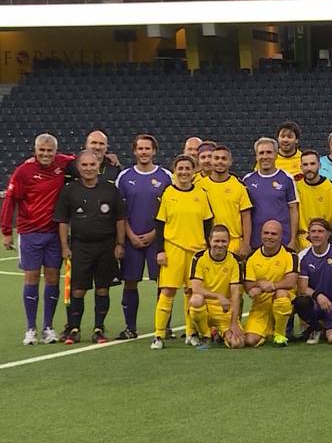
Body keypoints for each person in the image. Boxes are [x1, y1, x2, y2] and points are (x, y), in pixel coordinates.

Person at [2, 133, 75, 345]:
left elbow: (83, 159)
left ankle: (48, 327)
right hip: (29, 232)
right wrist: (6, 230)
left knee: (52, 278)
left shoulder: (63, 163)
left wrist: (107, 157)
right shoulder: (23, 171)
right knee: (32, 277)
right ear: (35, 150)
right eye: (41, 150)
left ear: (55, 151)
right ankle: (31, 328)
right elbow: (10, 200)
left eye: (49, 150)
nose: (45, 154)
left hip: (54, 233)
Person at [53, 150, 126, 344]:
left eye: (92, 165)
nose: (88, 169)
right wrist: (64, 246)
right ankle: (74, 328)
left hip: (106, 246)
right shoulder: (70, 190)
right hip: (79, 246)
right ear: (78, 167)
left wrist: (120, 244)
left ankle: (98, 329)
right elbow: (62, 221)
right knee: (77, 289)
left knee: (103, 288)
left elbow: (120, 218)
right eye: (84, 165)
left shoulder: (110, 189)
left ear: (98, 167)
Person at [151, 155, 213, 350]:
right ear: (175, 170)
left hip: (196, 251)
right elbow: (159, 224)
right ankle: (159, 335)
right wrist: (160, 250)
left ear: (194, 171)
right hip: (173, 249)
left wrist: (206, 249)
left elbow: (207, 223)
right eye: (181, 168)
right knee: (167, 291)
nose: (184, 172)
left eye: (188, 168)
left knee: (191, 292)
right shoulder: (167, 193)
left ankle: (190, 333)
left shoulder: (202, 194)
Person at [115, 134, 173, 340]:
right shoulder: (124, 177)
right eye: (140, 149)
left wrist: (154, 234)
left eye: (147, 148)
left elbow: (171, 210)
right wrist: (129, 236)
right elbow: (120, 212)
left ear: (154, 151)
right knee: (130, 281)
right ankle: (130, 327)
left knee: (163, 283)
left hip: (158, 240)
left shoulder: (166, 176)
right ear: (134, 151)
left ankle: (164, 327)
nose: (144, 152)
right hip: (132, 240)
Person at [242, 220, 298, 348]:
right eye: (266, 233)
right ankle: (266, 330)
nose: (269, 237)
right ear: (261, 234)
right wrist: (261, 284)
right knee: (250, 341)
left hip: (284, 301)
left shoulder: (290, 255)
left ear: (281, 236)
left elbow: (291, 281)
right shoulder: (252, 257)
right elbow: (249, 286)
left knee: (281, 293)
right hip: (261, 306)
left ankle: (279, 334)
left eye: (273, 234)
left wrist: (271, 286)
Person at [187, 225, 244, 348]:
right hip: (205, 307)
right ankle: (206, 335)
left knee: (237, 344)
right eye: (216, 241)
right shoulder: (199, 257)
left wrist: (234, 323)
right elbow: (196, 289)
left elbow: (235, 295)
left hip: (224, 310)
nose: (220, 244)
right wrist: (218, 296)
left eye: (223, 241)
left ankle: (219, 332)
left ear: (229, 242)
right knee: (196, 300)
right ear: (209, 241)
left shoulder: (235, 261)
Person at [293, 219, 332, 345]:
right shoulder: (303, 256)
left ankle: (327, 327)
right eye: (313, 231)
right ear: (309, 235)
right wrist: (318, 296)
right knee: (300, 302)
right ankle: (315, 328)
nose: (316, 235)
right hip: (316, 303)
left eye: (320, 231)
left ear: (328, 234)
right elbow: (303, 288)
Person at [244, 137, 299, 251]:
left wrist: (293, 240)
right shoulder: (247, 180)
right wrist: (246, 242)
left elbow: (293, 210)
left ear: (276, 155)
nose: (265, 156)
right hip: (256, 241)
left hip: (283, 240)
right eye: (261, 153)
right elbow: (245, 214)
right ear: (256, 156)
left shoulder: (287, 178)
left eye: (269, 152)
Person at [201, 145, 253, 256]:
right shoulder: (200, 186)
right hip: (206, 243)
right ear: (211, 161)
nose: (220, 162)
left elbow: (246, 217)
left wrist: (246, 243)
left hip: (234, 244)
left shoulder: (239, 187)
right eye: (216, 158)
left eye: (224, 159)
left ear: (230, 162)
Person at [295, 150, 332, 251]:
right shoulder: (296, 187)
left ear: (319, 165)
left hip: (324, 241)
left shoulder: (331, 186)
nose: (309, 168)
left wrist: (330, 240)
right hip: (301, 242)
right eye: (305, 164)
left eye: (312, 164)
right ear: (301, 167)